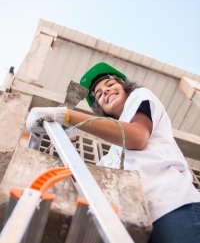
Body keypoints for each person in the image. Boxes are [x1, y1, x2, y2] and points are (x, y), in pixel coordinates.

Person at [26, 62, 200, 243]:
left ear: (125, 88)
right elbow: (86, 182)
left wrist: (66, 115)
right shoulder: (111, 156)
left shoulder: (140, 96)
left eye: (110, 85)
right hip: (137, 224)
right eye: (99, 94)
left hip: (173, 206)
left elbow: (137, 137)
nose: (106, 92)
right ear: (100, 108)